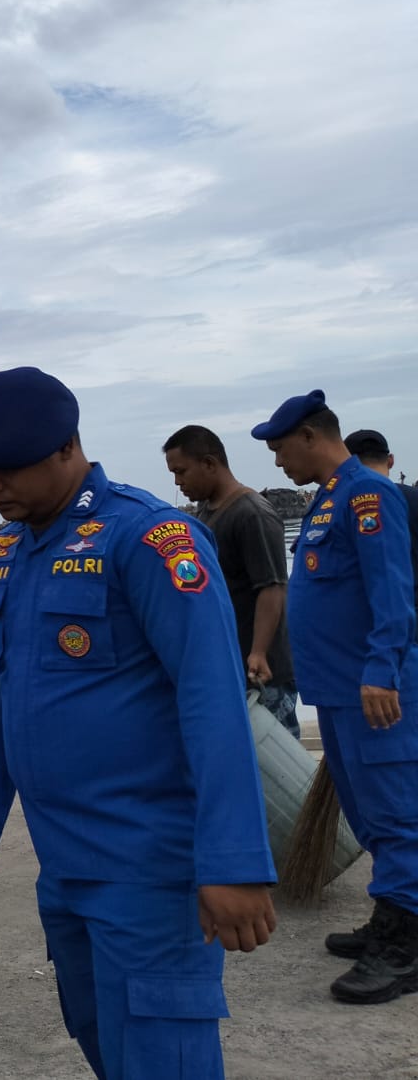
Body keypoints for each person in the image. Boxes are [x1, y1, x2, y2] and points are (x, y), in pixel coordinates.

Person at [0, 367, 276, 1080]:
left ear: (67, 446)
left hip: (151, 869)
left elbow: (211, 700)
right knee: (100, 1039)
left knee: (163, 1053)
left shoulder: (150, 539)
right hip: (64, 867)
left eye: (8, 465)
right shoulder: (4, 554)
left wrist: (235, 861)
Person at [255, 393, 418, 1003]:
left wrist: (382, 670)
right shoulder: (329, 499)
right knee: (371, 812)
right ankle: (396, 915)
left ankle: (405, 949)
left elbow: (392, 591)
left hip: (376, 691)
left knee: (398, 813)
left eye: (279, 449)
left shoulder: (369, 496)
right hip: (339, 693)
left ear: (309, 436)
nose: (277, 464)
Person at [162, 423, 299, 737]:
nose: (177, 481)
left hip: (264, 674)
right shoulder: (205, 514)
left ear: (210, 463)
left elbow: (273, 587)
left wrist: (259, 651)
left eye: (181, 471)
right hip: (230, 666)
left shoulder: (253, 514)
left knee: (280, 772)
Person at [345, 428, 418, 613]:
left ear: (347, 463)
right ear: (391, 460)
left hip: (372, 616)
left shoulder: (341, 505)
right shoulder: (413, 497)